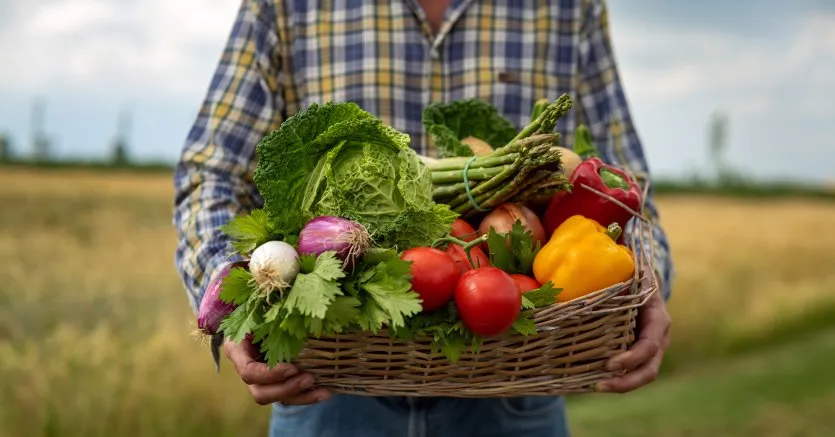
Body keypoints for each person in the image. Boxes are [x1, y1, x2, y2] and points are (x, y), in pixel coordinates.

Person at [173, 0, 674, 436]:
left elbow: (629, 191)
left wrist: (648, 291)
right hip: (327, 399)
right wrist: (228, 297)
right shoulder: (285, 4)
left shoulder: (570, 7)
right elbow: (209, 174)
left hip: (515, 395)